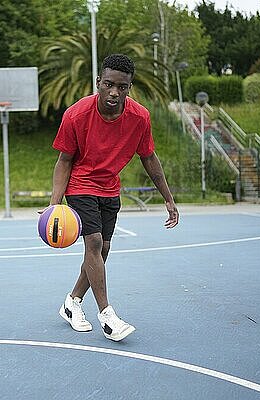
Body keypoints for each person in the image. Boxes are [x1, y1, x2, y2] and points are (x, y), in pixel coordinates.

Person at [48, 53, 179, 341]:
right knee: (93, 242)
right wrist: (55, 204)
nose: (114, 92)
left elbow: (149, 158)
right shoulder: (76, 115)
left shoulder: (139, 117)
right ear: (98, 82)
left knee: (102, 249)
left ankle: (72, 302)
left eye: (122, 87)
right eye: (108, 84)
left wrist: (168, 198)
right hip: (80, 184)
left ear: (129, 87)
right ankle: (107, 315)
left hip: (109, 187)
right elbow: (64, 161)